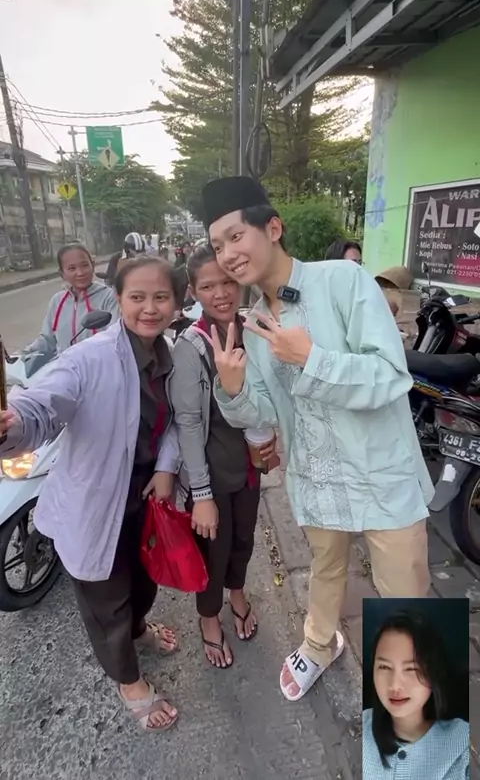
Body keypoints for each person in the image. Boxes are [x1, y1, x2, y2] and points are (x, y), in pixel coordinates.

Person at [200, 175, 433, 702]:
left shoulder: (344, 281)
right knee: (325, 570)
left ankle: (413, 699)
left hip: (381, 476)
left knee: (405, 594)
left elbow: (390, 375)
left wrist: (312, 358)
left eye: (236, 236)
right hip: (316, 478)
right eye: (217, 246)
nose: (227, 254)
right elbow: (267, 410)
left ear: (273, 228)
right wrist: (233, 390)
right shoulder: (255, 322)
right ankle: (318, 643)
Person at [0, 256, 183, 732]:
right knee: (108, 602)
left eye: (160, 297)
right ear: (118, 300)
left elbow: (177, 422)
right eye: (137, 297)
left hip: (145, 498)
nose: (149, 308)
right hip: (96, 504)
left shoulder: (170, 354)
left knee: (143, 582)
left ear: (176, 303)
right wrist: (12, 424)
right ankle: (129, 682)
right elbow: (43, 403)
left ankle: (139, 630)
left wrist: (166, 467)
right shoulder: (90, 357)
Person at [170, 244, 275, 669]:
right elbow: (188, 423)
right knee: (213, 552)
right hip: (211, 475)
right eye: (208, 286)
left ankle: (238, 594)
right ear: (193, 291)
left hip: (249, 468)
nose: (221, 293)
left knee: (243, 541)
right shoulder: (191, 346)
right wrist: (201, 495)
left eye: (228, 282)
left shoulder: (254, 330)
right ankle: (209, 617)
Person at [363, 610, 470, 778]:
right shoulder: (359, 726)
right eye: (384, 667)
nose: (395, 685)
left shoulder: (462, 743)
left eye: (411, 669)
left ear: (434, 671)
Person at [22, 244, 119, 358]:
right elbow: (47, 341)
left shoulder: (109, 297)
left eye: (85, 265)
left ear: (92, 265)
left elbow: (115, 337)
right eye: (72, 268)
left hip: (98, 365)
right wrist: (23, 354)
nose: (80, 273)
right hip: (65, 366)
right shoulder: (57, 301)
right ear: (62, 274)